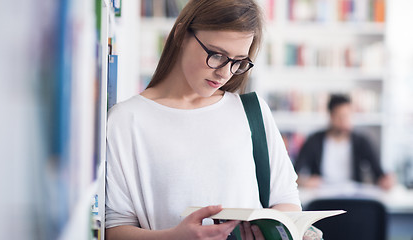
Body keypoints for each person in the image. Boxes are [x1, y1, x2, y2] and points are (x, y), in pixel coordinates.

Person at [105, 1, 319, 239]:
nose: (225, 73)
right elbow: (115, 229)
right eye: (217, 55)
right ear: (180, 35)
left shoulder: (252, 112)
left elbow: (286, 201)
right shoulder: (126, 120)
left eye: (238, 61)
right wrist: (175, 237)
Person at [294, 94, 395, 190]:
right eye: (340, 116)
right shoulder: (314, 141)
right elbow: (294, 173)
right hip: (321, 196)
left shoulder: (361, 142)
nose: (344, 121)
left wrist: (386, 180)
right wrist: (304, 181)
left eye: (348, 116)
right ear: (331, 116)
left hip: (352, 197)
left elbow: (379, 174)